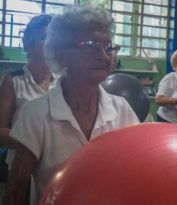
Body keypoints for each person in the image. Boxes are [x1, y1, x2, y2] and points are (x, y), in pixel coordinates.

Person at [3, 5, 140, 205]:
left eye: (108, 46)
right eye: (92, 45)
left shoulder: (121, 110)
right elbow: (14, 193)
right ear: (61, 55)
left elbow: (138, 170)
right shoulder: (36, 114)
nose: (103, 56)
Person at [0, 14, 58, 148]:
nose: (51, 43)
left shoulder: (63, 81)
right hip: (22, 164)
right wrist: (37, 140)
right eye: (44, 37)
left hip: (58, 165)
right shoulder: (13, 81)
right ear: (28, 44)